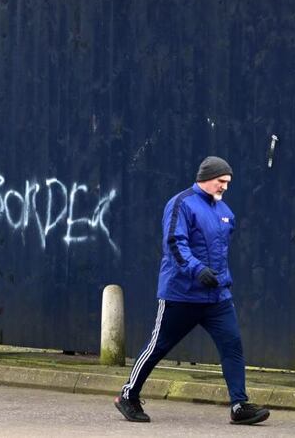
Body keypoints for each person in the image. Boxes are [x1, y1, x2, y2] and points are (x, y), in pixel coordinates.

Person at [114, 156, 270, 425]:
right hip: (181, 294)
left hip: (217, 297)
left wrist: (222, 279)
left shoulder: (225, 212)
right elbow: (175, 243)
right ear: (206, 178)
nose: (225, 187)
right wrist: (197, 270)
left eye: (228, 182)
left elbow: (220, 253)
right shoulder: (181, 204)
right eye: (221, 181)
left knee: (232, 345)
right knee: (158, 346)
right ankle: (128, 396)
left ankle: (239, 405)